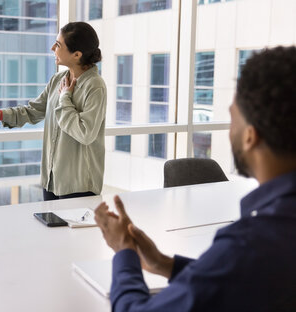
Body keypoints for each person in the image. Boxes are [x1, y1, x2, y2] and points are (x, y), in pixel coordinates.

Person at [95, 46, 296, 311]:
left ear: (250, 135)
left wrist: (123, 252)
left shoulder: (249, 245)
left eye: (232, 117)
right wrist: (165, 264)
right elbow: (250, 282)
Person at [0, 22, 106, 200]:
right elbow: (33, 111)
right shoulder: (58, 79)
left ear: (77, 54)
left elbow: (85, 133)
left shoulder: (95, 86)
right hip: (51, 179)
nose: (52, 48)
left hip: (79, 184)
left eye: (58, 45)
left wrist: (65, 98)